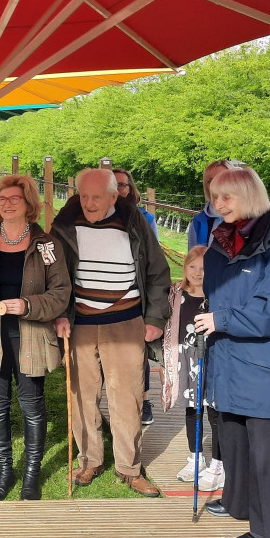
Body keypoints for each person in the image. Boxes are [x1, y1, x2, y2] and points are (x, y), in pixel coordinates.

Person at [193, 166, 270, 538]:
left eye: (227, 196)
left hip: (265, 357)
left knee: (265, 447)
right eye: (214, 195)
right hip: (228, 349)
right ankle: (237, 501)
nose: (218, 203)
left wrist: (221, 319)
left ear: (249, 195)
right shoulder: (224, 236)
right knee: (231, 432)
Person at [51, 168, 170, 498]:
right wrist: (59, 314)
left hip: (126, 321)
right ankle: (90, 460)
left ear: (115, 195)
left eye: (96, 197)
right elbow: (54, 276)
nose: (88, 203)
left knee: (127, 397)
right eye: (84, 196)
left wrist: (155, 319)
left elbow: (158, 272)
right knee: (82, 396)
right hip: (80, 323)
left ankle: (130, 468)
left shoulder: (134, 220)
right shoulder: (64, 223)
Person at [0, 175, 71, 501]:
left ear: (28, 204)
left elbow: (61, 293)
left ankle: (32, 475)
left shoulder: (47, 244)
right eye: (2, 199)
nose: (6, 204)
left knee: (32, 406)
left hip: (32, 335)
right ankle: (5, 471)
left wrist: (27, 305)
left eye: (14, 199)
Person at [159, 245, 223, 491]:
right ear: (185, 267)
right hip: (185, 359)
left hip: (211, 358)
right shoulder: (176, 293)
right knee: (192, 409)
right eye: (192, 267)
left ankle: (218, 462)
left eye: (204, 269)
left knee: (214, 411)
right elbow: (168, 327)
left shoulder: (216, 295)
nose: (197, 273)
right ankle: (196, 457)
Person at [113, 168, 158, 427]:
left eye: (123, 185)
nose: (119, 190)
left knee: (138, 351)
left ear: (130, 188)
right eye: (114, 185)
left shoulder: (145, 218)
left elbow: (154, 259)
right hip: (105, 294)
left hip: (135, 291)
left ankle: (143, 400)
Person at [188, 160, 242, 249]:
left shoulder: (249, 218)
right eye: (210, 180)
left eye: (223, 178)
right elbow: (192, 259)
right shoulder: (199, 221)